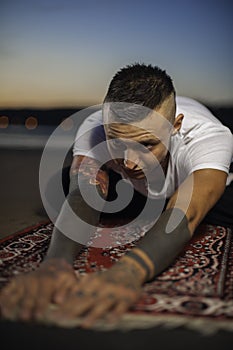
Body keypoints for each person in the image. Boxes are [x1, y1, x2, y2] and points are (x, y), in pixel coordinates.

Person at [0, 63, 233, 329]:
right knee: (66, 182)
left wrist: (128, 272)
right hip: (133, 192)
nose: (131, 163)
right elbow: (83, 191)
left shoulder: (207, 136)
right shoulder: (95, 129)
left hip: (198, 189)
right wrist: (55, 263)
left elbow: (188, 212)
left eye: (147, 144)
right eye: (118, 143)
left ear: (175, 126)